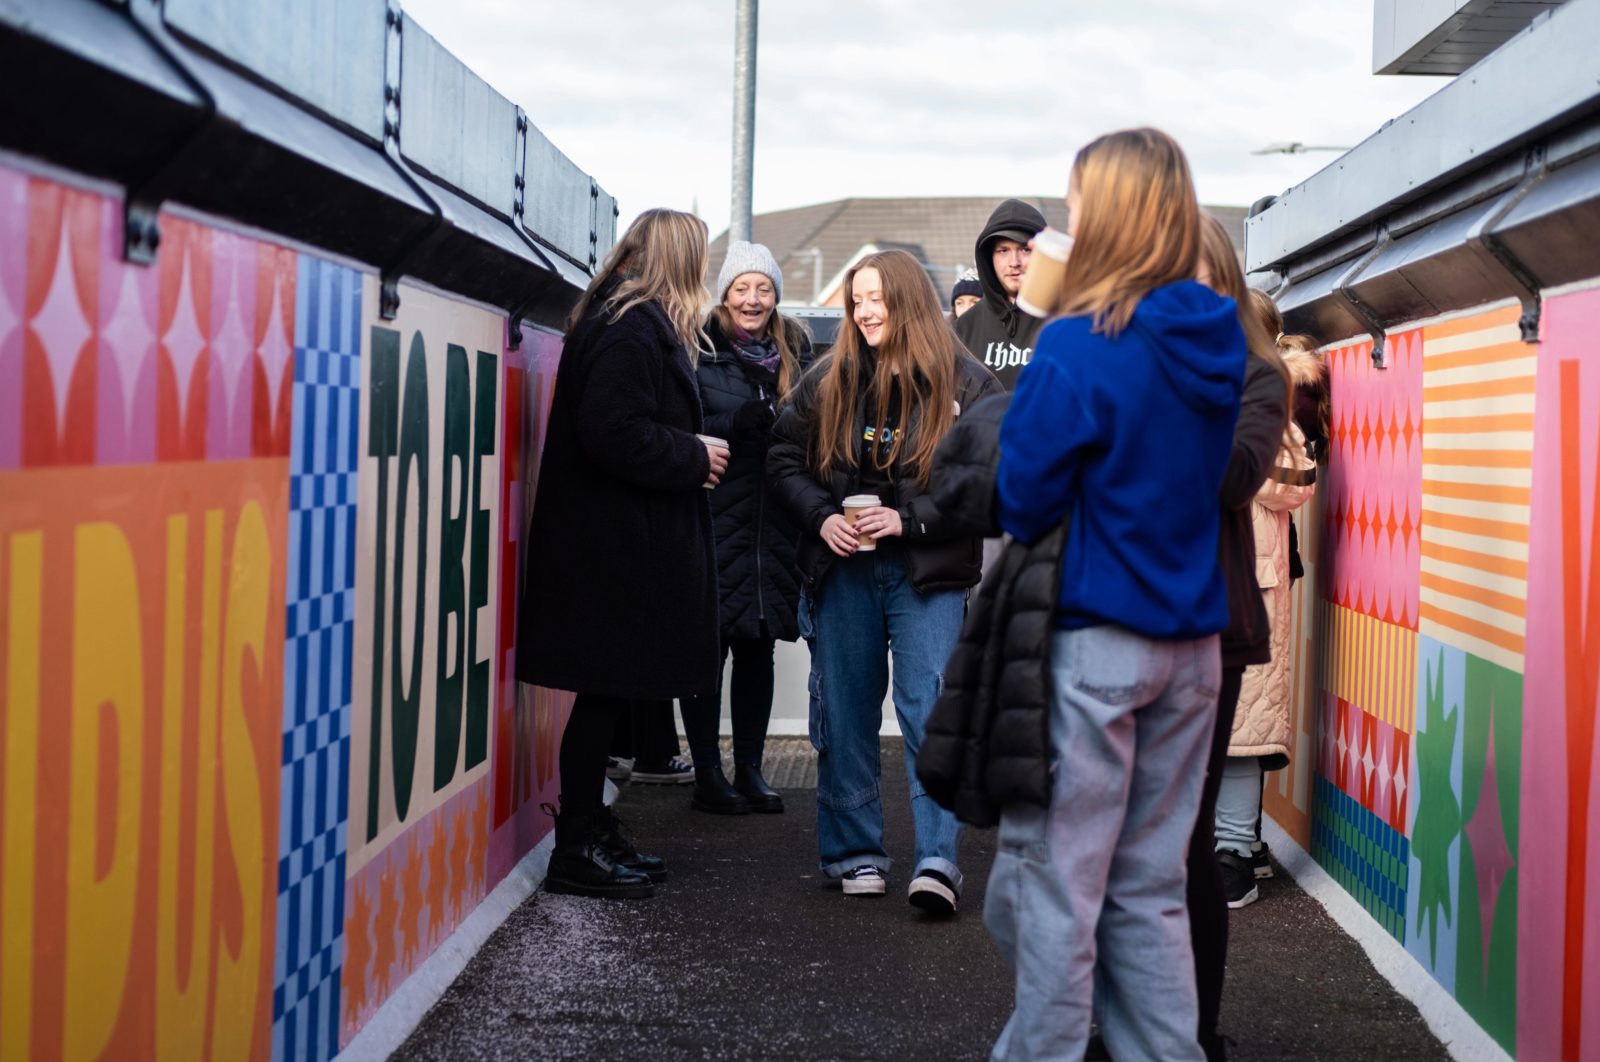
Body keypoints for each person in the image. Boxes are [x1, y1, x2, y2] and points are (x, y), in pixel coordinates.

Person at [984, 129, 1246, 1061]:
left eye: (1080, 201)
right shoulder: (1219, 337)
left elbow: (1022, 497)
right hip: (1194, 645)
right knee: (1152, 887)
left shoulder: (1078, 345)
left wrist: (1042, 332)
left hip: (1098, 638)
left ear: (1112, 213)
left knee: (1058, 890)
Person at [769, 248, 1002, 914]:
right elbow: (783, 459)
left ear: (908, 301)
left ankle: (937, 861)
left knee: (928, 710)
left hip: (927, 571)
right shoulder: (830, 376)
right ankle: (854, 852)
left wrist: (909, 522)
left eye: (878, 297)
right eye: (857, 300)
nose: (866, 311)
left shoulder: (969, 382)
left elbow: (992, 483)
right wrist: (821, 520)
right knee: (844, 710)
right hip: (843, 567)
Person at [517, 208, 725, 900]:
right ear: (682, 262)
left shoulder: (619, 320)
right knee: (602, 700)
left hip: (612, 548)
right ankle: (577, 844)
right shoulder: (632, 329)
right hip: (610, 551)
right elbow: (613, 434)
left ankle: (588, 831)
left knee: (606, 699)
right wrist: (695, 454)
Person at [1182, 215, 1292, 1059]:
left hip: (1204, 635)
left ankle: (1191, 1034)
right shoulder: (1115, 357)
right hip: (1104, 626)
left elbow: (1228, 477)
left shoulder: (1256, 376)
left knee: (1176, 848)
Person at [680, 241, 813, 815]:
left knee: (759, 649)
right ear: (725, 294)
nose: (753, 299)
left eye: (763, 289)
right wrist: (736, 421)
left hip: (775, 527)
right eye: (742, 288)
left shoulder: (797, 354)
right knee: (709, 650)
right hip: (714, 519)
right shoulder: (698, 351)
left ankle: (752, 769)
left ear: (776, 297)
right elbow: (681, 427)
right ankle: (709, 774)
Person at [1214, 293, 1327, 903]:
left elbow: (1294, 485)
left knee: (1241, 728)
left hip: (1245, 590)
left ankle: (1232, 849)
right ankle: (1214, 846)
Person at [953, 198, 1047, 390]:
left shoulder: (1065, 320)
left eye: (1024, 249)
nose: (1014, 262)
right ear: (989, 257)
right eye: (1003, 251)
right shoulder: (964, 328)